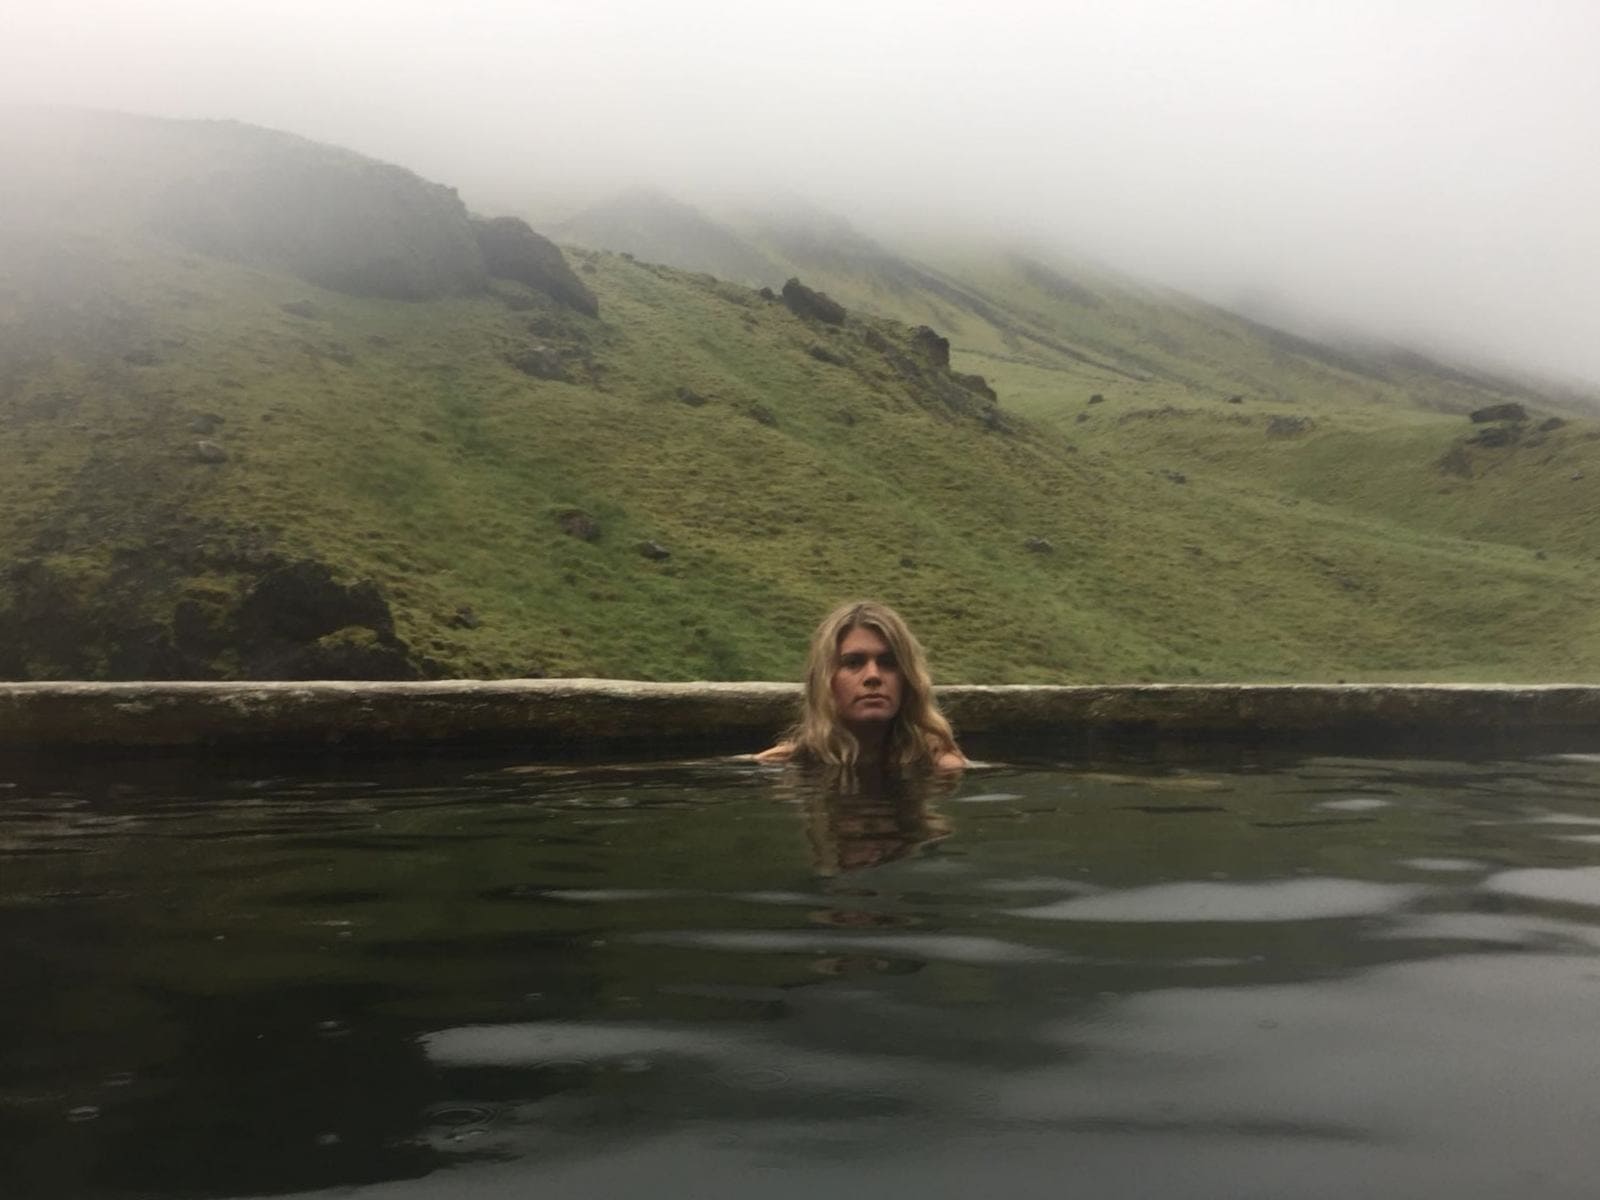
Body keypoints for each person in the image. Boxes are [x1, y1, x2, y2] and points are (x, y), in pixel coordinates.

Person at [755, 600, 967, 774]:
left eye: (888, 663)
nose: (873, 676)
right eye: (853, 663)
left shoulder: (943, 767)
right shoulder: (782, 765)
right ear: (824, 680)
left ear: (908, 678)